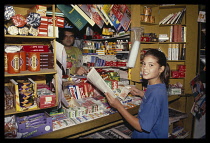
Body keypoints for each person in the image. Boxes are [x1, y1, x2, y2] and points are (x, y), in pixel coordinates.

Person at [104, 49, 170, 138]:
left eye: (151, 65)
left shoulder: (156, 94)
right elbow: (155, 102)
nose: (145, 68)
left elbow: (141, 127)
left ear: (161, 69)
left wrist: (119, 106)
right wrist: (141, 93)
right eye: (144, 64)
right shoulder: (157, 86)